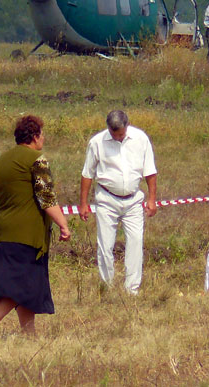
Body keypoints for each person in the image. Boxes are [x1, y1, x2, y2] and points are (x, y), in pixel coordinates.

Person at [0, 115, 71, 339]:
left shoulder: (0, 161)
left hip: (3, 232)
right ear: (35, 136)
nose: (43, 139)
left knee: (25, 284)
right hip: (26, 234)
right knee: (23, 284)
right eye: (42, 134)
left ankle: (29, 335)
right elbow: (46, 198)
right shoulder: (37, 160)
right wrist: (63, 224)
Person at [79, 110, 157, 294]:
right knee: (105, 245)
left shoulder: (140, 139)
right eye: (114, 134)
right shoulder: (97, 142)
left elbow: (150, 171)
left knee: (136, 242)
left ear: (127, 126)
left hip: (133, 199)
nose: (117, 137)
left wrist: (152, 199)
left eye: (121, 134)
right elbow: (87, 174)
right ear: (108, 128)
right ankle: (107, 287)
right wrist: (83, 203)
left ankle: (132, 289)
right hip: (107, 199)